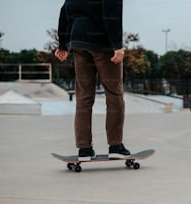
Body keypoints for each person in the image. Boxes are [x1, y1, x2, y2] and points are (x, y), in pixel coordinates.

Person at [55, 0, 131, 161]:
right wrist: (117, 45)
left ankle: (84, 149)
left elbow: (64, 13)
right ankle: (116, 146)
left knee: (83, 97)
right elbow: (112, 14)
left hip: (79, 44)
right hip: (102, 44)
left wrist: (63, 44)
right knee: (114, 93)